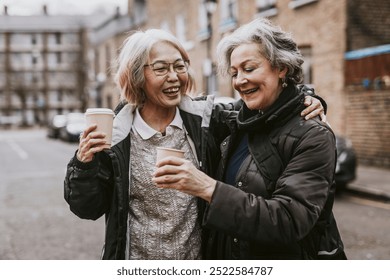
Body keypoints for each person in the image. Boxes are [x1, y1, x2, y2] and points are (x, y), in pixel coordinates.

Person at [64, 28, 325, 260]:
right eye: (161, 68)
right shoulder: (115, 135)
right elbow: (87, 208)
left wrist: (308, 99)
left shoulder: (208, 121)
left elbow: (263, 106)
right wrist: (83, 165)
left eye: (180, 66)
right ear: (136, 76)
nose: (174, 76)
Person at [153, 18, 346, 260]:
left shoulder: (313, 135)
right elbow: (172, 103)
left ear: (281, 67)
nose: (239, 81)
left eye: (249, 68)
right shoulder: (237, 120)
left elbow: (288, 220)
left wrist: (207, 187)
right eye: (234, 73)